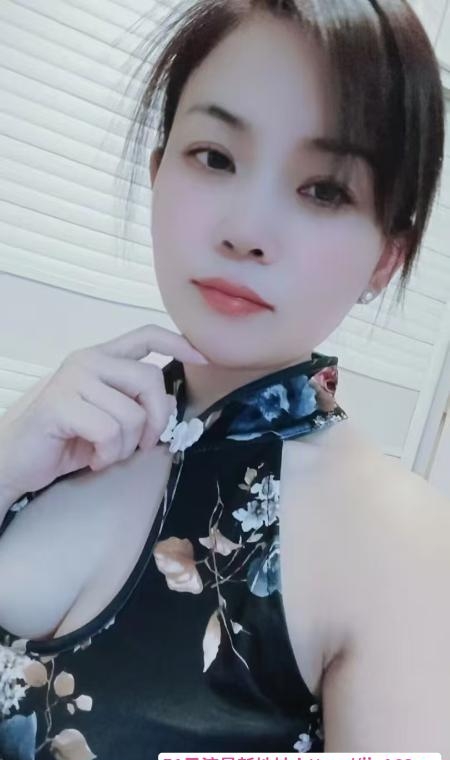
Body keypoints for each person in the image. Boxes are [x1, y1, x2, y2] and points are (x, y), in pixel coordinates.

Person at [0, 0, 449, 756]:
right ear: (158, 171)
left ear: (386, 258)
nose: (245, 231)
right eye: (214, 157)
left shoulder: (405, 548)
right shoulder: (62, 424)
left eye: (324, 189)